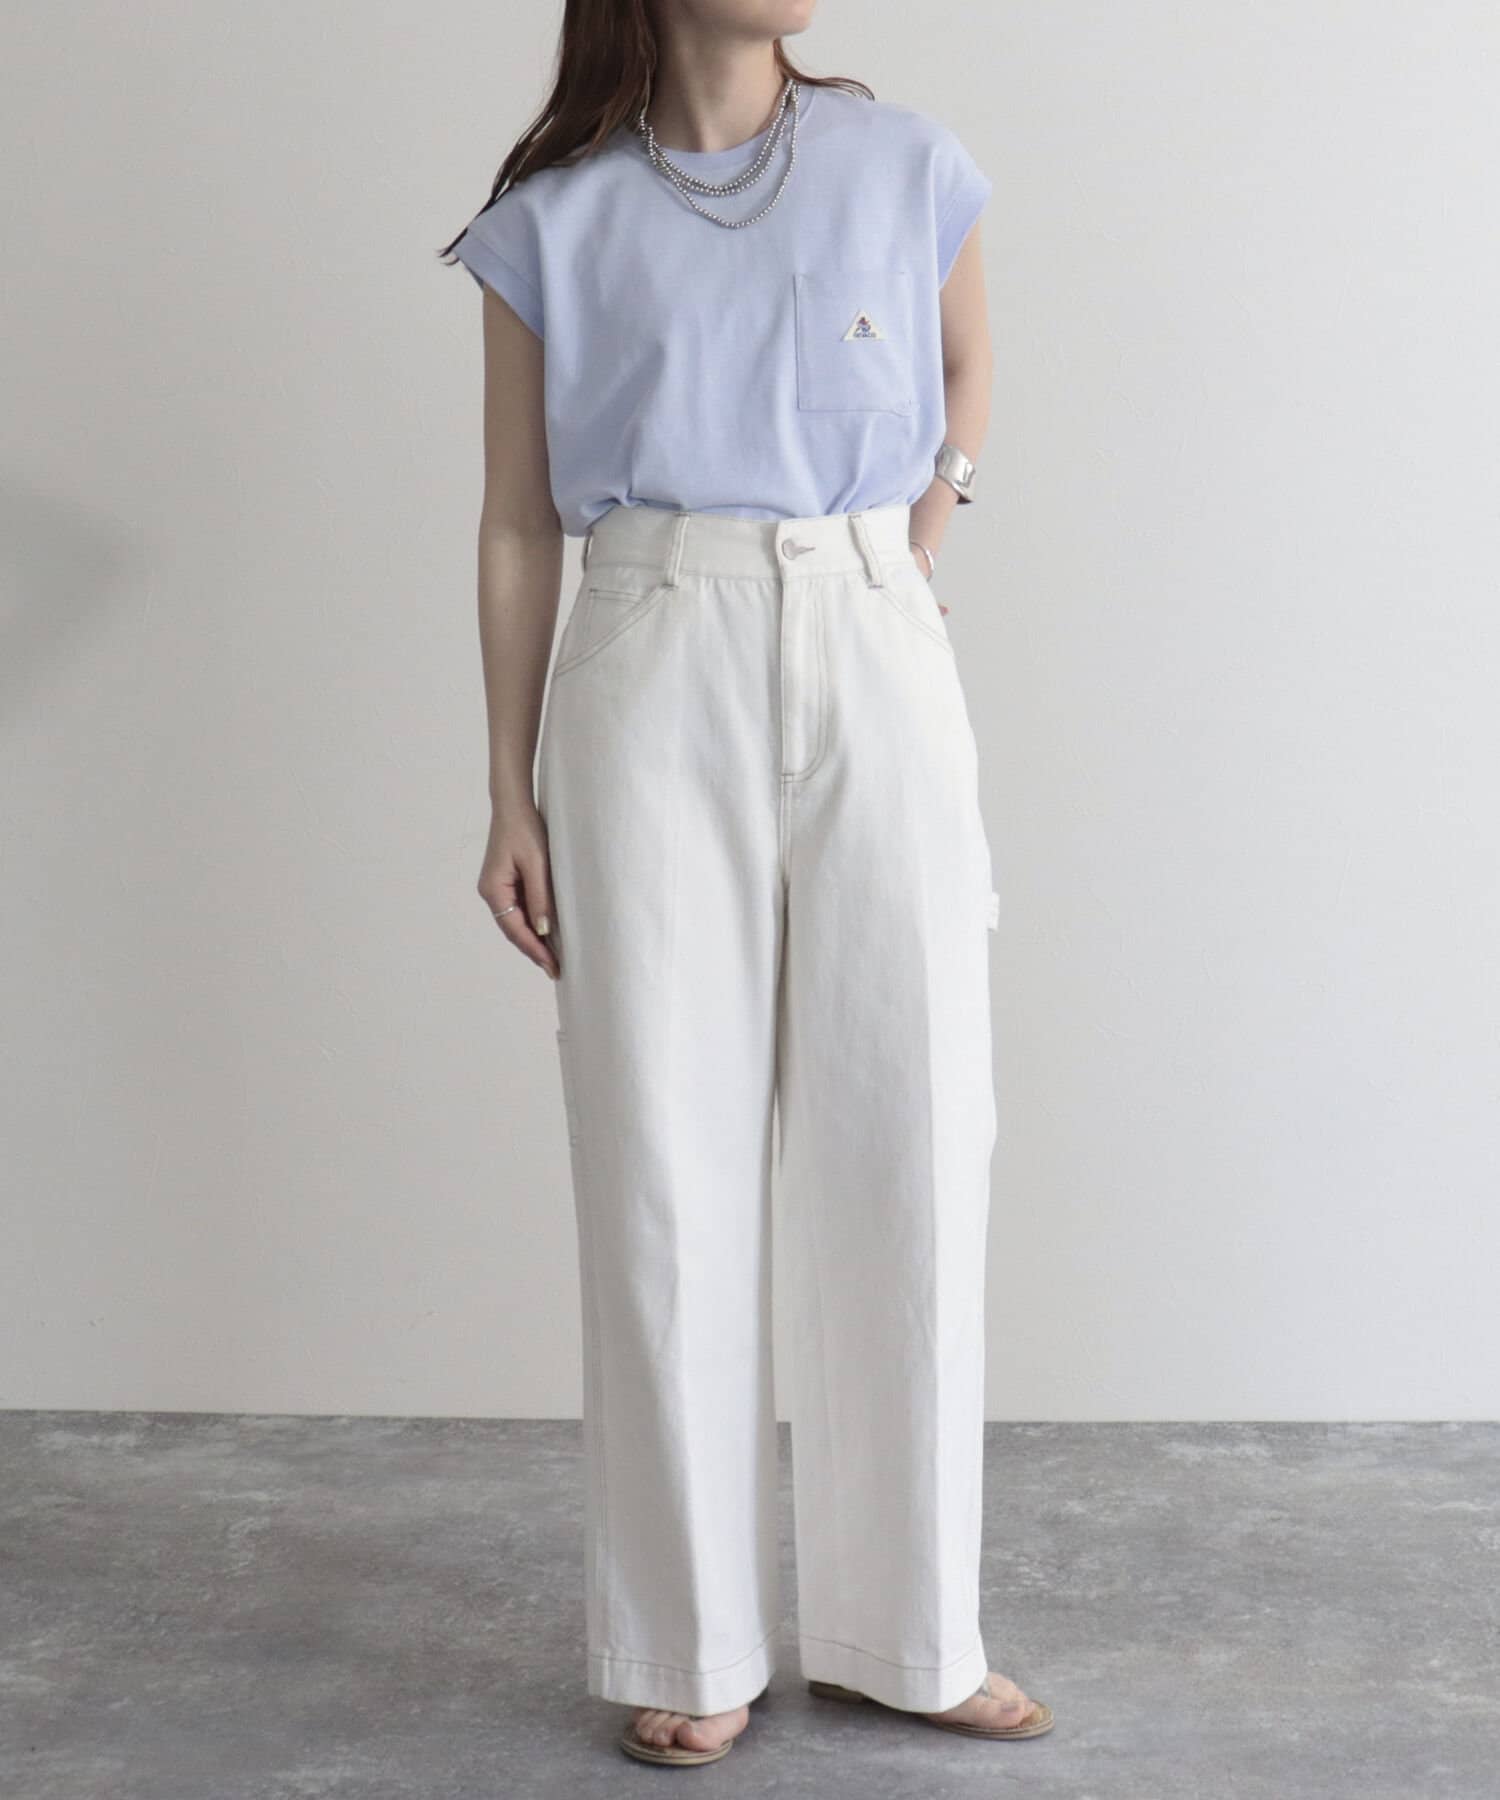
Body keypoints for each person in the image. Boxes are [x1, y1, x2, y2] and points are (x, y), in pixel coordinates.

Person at [439, 0, 1053, 1769]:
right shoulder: (551, 220)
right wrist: (506, 786)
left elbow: (966, 374)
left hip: (873, 648)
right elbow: (516, 517)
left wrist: (911, 542)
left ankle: (909, 1633)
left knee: (913, 1132)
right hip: (651, 653)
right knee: (663, 1158)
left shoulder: (907, 163)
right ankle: (687, 1635)